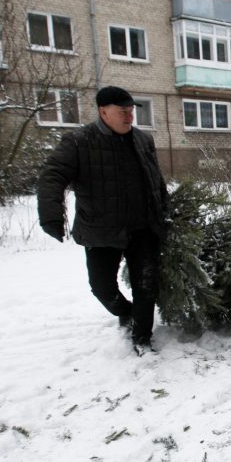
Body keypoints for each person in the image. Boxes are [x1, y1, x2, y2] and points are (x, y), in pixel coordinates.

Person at [37, 86, 168, 355]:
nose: (129, 116)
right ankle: (125, 311)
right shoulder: (79, 142)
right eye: (123, 111)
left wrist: (165, 211)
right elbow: (52, 175)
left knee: (147, 285)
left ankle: (142, 337)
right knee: (101, 287)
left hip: (144, 227)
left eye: (131, 111)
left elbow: (156, 181)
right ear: (103, 111)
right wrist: (51, 214)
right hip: (101, 229)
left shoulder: (143, 140)